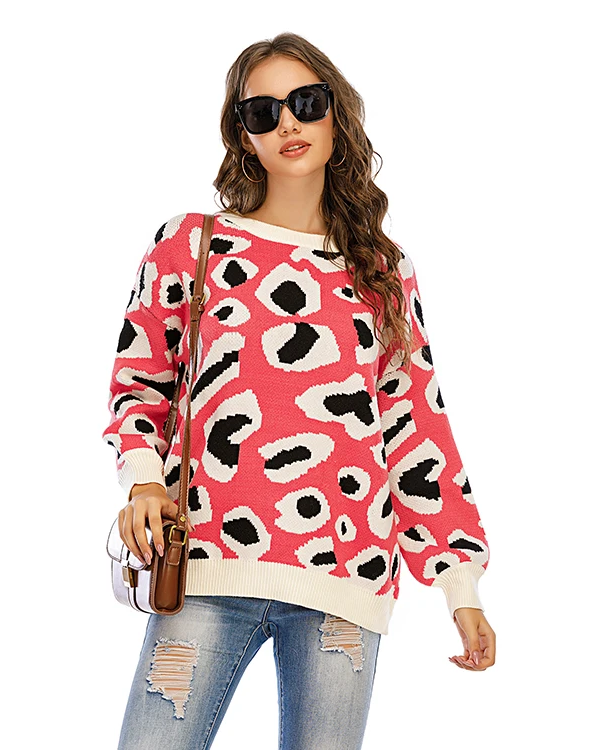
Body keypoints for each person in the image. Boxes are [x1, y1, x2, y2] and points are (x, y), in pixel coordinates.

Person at [101, 32, 497, 750]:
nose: (288, 122)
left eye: (306, 103)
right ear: (243, 135)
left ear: (336, 113)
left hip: (344, 580)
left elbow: (415, 427)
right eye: (263, 111)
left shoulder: (382, 271)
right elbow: (140, 379)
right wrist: (143, 481)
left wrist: (459, 587)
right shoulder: (191, 244)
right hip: (207, 566)